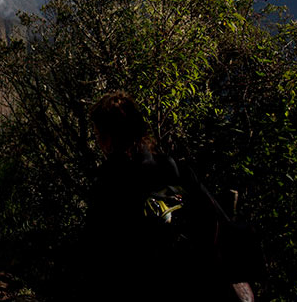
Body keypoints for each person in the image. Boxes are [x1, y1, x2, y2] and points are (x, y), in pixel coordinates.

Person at [84, 91, 259, 302]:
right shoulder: (175, 169)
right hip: (199, 284)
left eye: (99, 134)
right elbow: (220, 223)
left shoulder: (107, 185)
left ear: (108, 136)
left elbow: (97, 256)